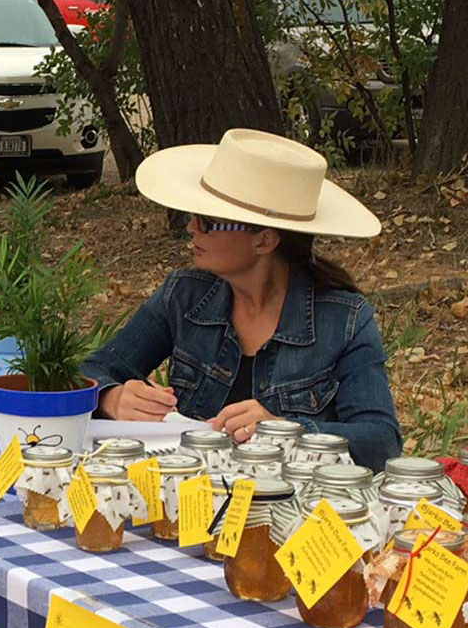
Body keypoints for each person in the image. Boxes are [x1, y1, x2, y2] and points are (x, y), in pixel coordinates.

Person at [84, 128, 402, 469]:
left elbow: (380, 441)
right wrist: (110, 396)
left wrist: (287, 432)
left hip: (294, 509)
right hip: (190, 499)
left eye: (208, 221)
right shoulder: (183, 294)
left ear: (264, 242)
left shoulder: (345, 319)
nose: (191, 228)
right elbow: (91, 369)